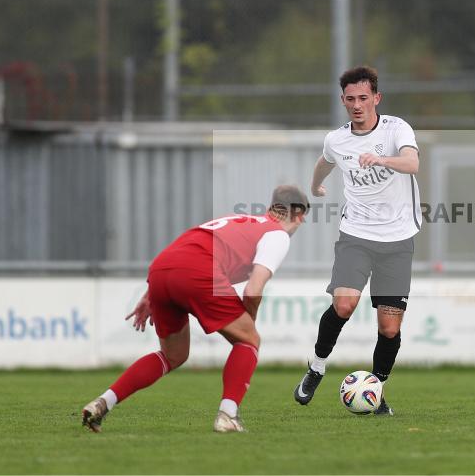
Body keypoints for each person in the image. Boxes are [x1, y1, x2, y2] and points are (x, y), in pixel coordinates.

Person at [82, 185, 309, 433]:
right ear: (300, 215)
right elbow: (253, 289)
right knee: (249, 340)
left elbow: (187, 248)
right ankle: (228, 415)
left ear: (270, 208)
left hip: (161, 269)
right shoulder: (277, 235)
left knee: (172, 356)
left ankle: (103, 401)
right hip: (200, 271)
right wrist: (247, 323)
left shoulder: (237, 220)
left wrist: (150, 293)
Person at [293, 65, 421, 415]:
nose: (357, 105)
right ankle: (316, 368)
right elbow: (325, 160)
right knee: (344, 305)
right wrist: (316, 183)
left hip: (397, 240)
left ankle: (375, 389)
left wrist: (382, 158)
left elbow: (412, 163)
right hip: (357, 236)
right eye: (350, 99)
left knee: (389, 327)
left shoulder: (397, 129)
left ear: (376, 98)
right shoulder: (337, 139)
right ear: (343, 101)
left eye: (364, 98)